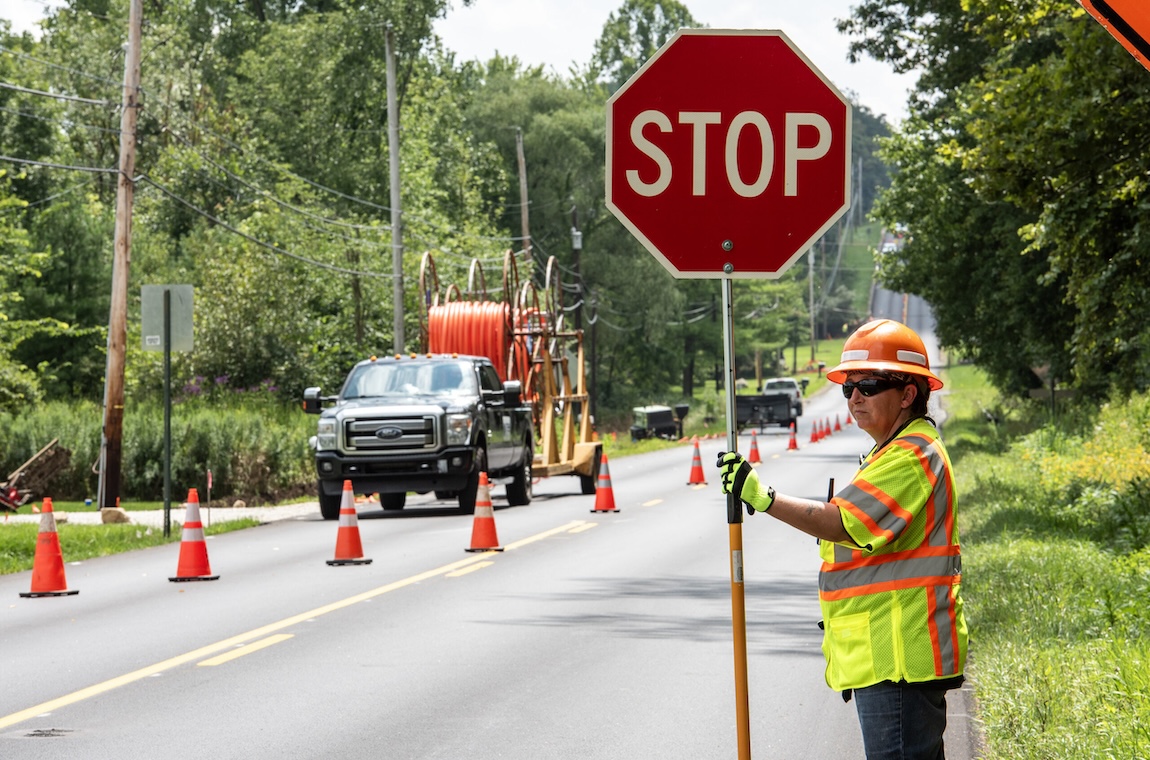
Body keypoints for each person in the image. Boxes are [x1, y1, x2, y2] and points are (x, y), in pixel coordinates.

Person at [716, 319, 968, 760]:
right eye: (848, 388)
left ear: (908, 394)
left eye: (868, 385)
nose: (854, 398)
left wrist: (762, 496)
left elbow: (841, 522)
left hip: (898, 661)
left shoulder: (913, 453)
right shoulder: (892, 450)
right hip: (889, 658)